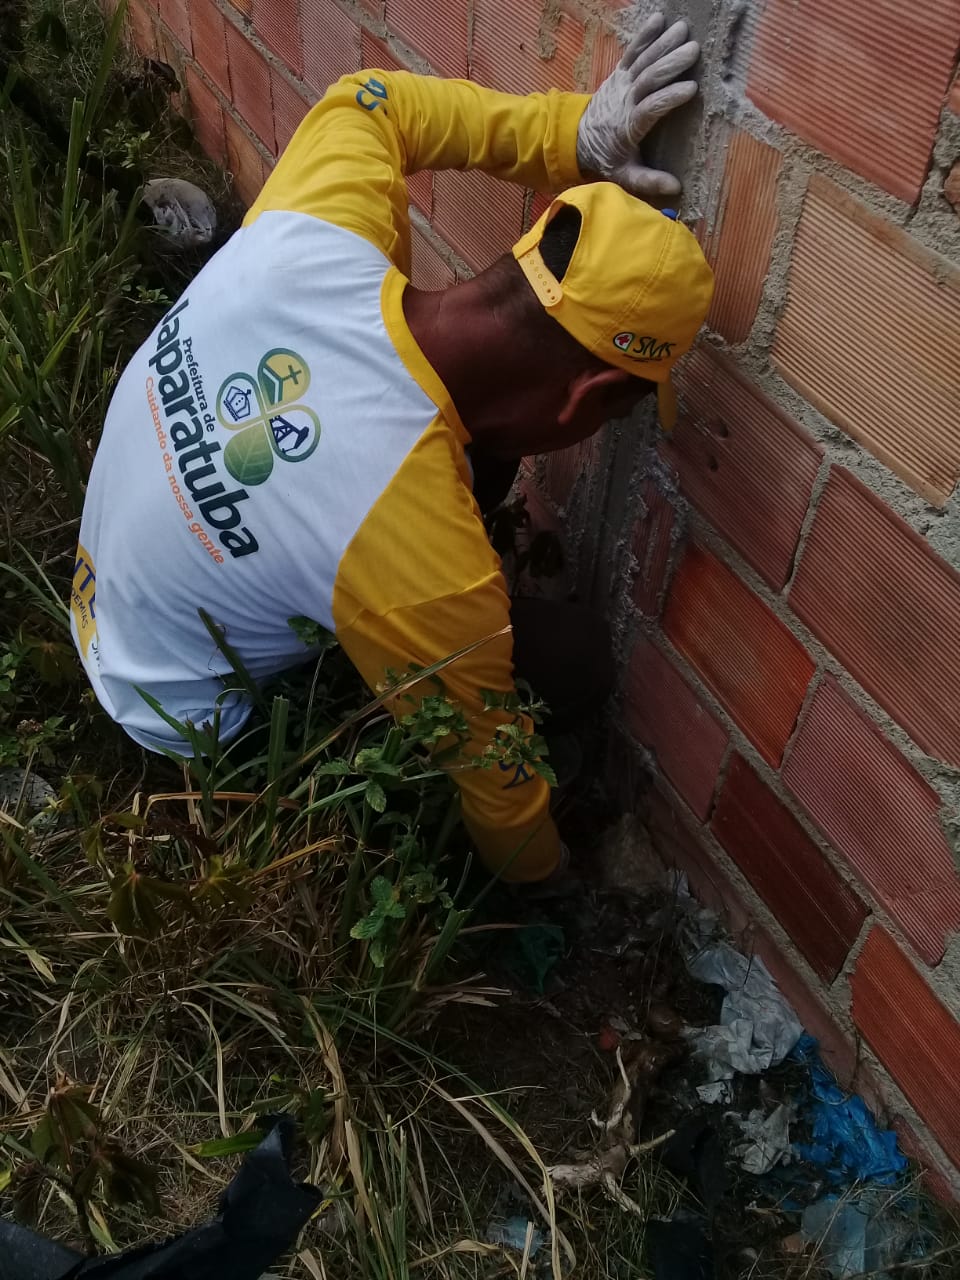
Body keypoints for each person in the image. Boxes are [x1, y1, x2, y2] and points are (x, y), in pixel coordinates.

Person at [69, 12, 714, 884]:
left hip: (109, 583)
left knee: (473, 462)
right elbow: (500, 797)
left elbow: (373, 102)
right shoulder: (412, 546)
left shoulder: (323, 221)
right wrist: (552, 884)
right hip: (176, 715)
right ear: (586, 397)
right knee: (576, 659)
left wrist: (571, 136)